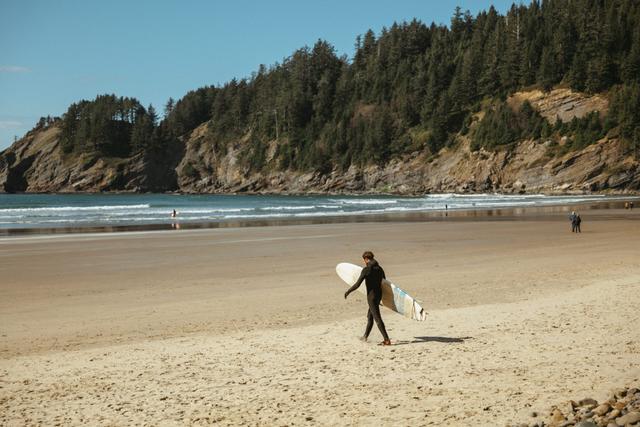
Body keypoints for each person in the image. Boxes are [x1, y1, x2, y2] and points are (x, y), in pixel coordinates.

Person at [344, 251, 391, 346]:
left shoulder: (366, 270)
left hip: (371, 297)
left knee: (377, 318)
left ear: (366, 259)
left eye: (363, 260)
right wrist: (383, 298)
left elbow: (357, 284)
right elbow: (384, 284)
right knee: (370, 316)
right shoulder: (380, 269)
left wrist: (348, 291)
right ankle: (365, 336)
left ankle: (386, 340)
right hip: (378, 295)